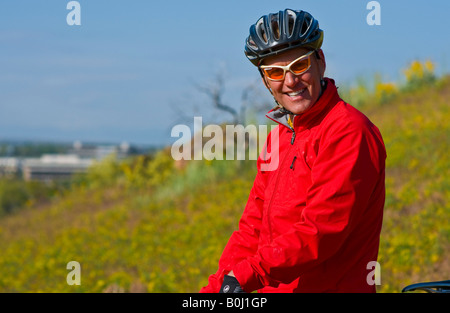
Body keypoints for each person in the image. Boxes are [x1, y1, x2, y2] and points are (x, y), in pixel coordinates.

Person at [200, 8, 386, 293]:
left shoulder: (348, 131)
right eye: (275, 72)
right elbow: (252, 229)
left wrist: (249, 273)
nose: (290, 81)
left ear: (320, 62)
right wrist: (213, 291)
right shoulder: (279, 136)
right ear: (265, 81)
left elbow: (322, 231)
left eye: (299, 65)